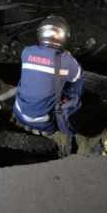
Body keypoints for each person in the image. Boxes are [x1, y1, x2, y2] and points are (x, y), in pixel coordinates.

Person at [13, 16, 84, 151]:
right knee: (75, 90)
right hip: (43, 121)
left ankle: (29, 125)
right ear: (63, 37)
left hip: (18, 110)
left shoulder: (26, 52)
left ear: (41, 33)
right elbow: (78, 77)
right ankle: (52, 132)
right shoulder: (67, 60)